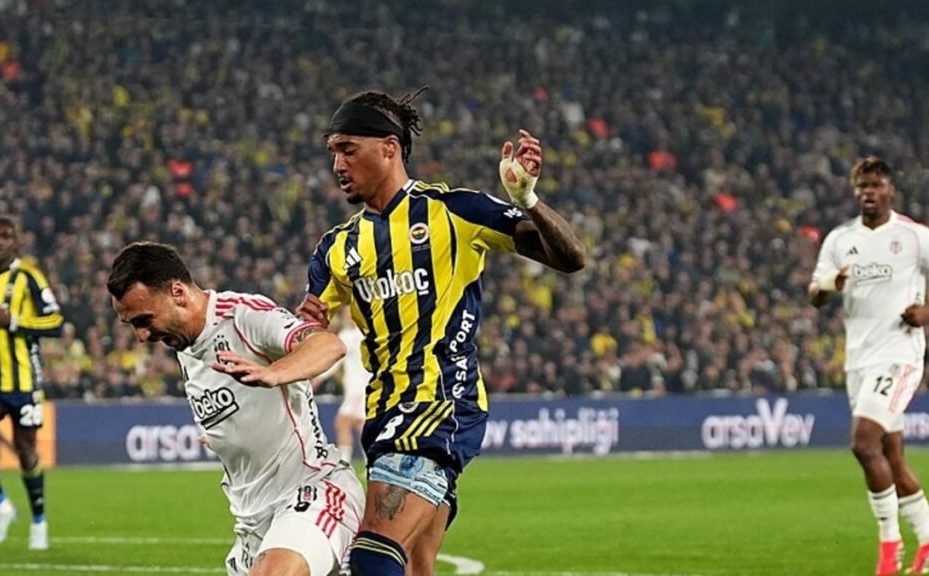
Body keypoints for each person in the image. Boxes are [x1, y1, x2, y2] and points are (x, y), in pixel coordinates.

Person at [298, 89, 586, 576]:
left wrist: (528, 202)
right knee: (417, 566)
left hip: (440, 407)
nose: (337, 164)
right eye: (333, 152)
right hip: (383, 417)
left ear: (389, 148)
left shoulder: (455, 210)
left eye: (348, 149)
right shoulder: (336, 248)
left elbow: (570, 257)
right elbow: (307, 331)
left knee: (370, 559)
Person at [107, 241, 365, 576]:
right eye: (132, 325)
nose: (141, 336)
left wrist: (274, 372)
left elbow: (328, 345)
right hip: (253, 524)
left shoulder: (243, 315)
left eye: (144, 320)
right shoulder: (186, 347)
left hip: (312, 490)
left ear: (177, 292)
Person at [809, 156, 929, 576]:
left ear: (890, 190)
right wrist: (830, 284)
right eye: (862, 185)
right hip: (859, 360)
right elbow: (814, 294)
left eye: (876, 185)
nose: (869, 192)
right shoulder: (840, 239)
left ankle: (888, 548)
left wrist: (927, 313)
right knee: (891, 458)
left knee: (863, 443)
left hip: (899, 356)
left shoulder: (915, 237)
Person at [0, 215, 64, 550]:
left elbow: (56, 322)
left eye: (5, 236)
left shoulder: (30, 276)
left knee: (25, 451)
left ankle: (39, 522)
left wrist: (13, 321)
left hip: (23, 380)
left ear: (16, 243)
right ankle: (2, 506)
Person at [315, 307, 370, 465]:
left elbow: (335, 361)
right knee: (359, 425)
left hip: (358, 390)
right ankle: (368, 461)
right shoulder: (353, 334)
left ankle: (346, 462)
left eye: (349, 314)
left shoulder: (355, 336)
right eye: (345, 314)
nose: (347, 317)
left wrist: (319, 377)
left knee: (343, 423)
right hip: (357, 389)